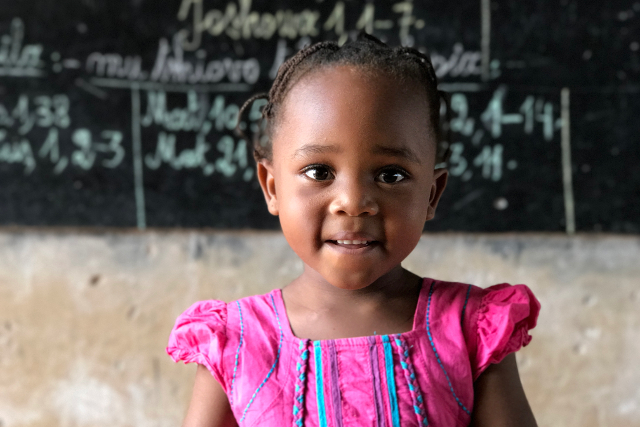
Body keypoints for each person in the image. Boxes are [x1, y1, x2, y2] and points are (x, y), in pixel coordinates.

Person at [167, 33, 540, 427]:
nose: (353, 201)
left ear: (432, 195)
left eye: (391, 175)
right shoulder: (235, 343)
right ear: (272, 188)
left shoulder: (470, 331)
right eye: (319, 172)